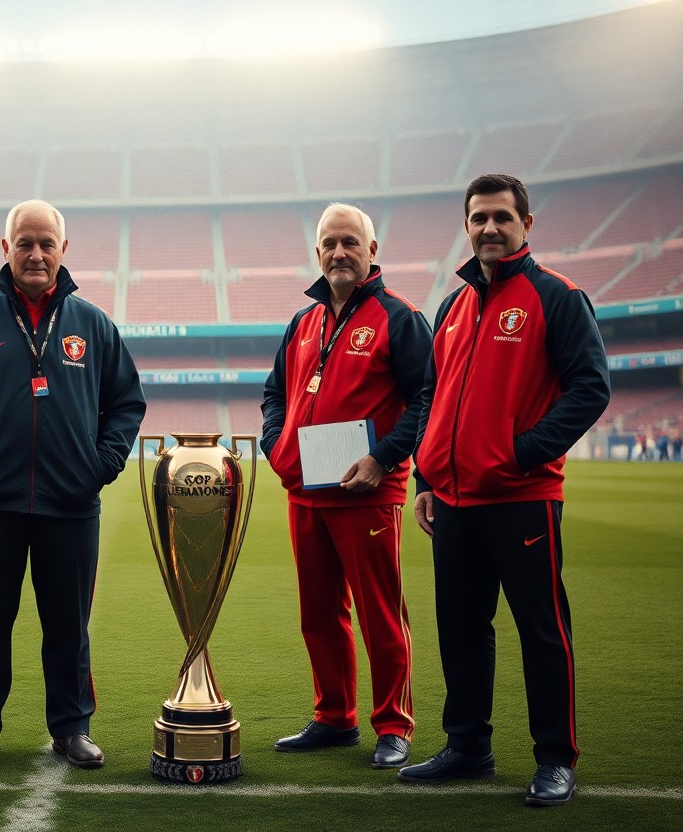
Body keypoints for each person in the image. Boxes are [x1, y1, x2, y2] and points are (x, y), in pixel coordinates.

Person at [399, 174, 610, 807]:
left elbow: (590, 388)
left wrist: (523, 453)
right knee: (461, 628)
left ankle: (556, 758)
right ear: (466, 226)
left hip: (522, 497)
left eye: (501, 217)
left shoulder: (557, 297)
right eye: (478, 218)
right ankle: (468, 746)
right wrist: (427, 477)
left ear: (526, 224)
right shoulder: (454, 305)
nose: (489, 228)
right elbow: (434, 399)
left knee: (542, 629)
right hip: (454, 502)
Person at [0, 199, 145, 770]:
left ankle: (71, 727)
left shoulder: (92, 324)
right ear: (6, 249)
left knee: (69, 626)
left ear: (64, 249)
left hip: (71, 503)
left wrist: (100, 466)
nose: (36, 254)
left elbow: (126, 403)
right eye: (25, 243)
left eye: (47, 243)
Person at [260, 203, 430, 769]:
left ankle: (394, 724)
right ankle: (335, 717)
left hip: (367, 492)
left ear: (372, 251)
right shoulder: (304, 321)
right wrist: (273, 444)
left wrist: (382, 458)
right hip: (306, 488)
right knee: (319, 613)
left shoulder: (400, 317)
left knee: (380, 612)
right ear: (317, 253)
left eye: (350, 243)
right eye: (329, 243)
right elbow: (273, 394)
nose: (339, 252)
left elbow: (426, 400)